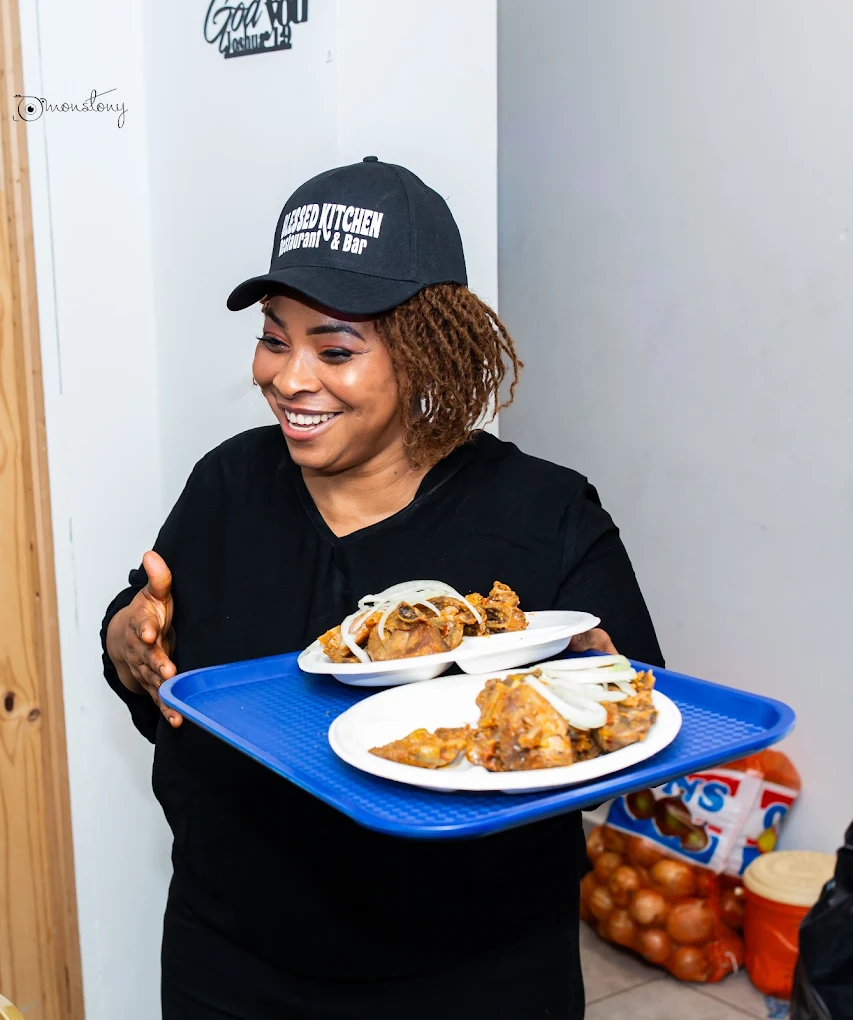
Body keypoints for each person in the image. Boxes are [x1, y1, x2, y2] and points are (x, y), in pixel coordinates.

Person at [102, 157, 663, 1019]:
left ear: (425, 351)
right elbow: (151, 635)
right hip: (233, 961)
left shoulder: (540, 512)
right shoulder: (228, 485)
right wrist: (126, 640)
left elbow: (638, 711)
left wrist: (589, 695)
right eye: (274, 338)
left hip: (474, 975)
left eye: (334, 350)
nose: (289, 378)